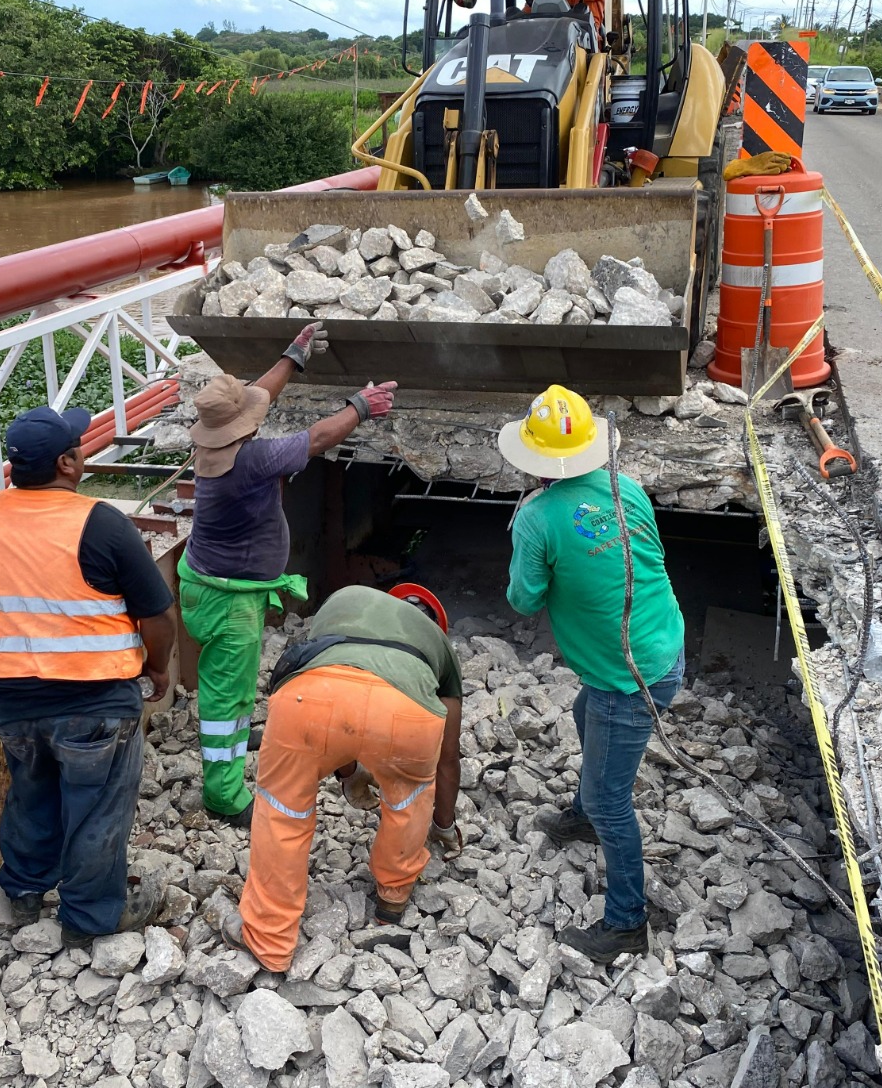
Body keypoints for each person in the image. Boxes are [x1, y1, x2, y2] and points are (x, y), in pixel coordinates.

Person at [0, 405, 179, 946]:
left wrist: (2, 643)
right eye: (79, 446)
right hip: (96, 698)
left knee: (32, 791)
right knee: (98, 808)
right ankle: (89, 917)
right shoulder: (101, 521)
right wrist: (155, 667)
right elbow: (158, 615)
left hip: (12, 698)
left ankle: (26, 891)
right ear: (67, 463)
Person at [177, 325, 397, 827]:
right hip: (227, 599)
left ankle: (233, 739)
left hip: (215, 584)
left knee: (228, 679)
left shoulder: (215, 449)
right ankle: (225, 794)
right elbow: (319, 436)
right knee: (224, 692)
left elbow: (257, 396)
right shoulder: (251, 460)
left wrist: (293, 356)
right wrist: (362, 405)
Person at [499, 384, 685, 963]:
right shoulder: (625, 490)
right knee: (585, 713)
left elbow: (524, 601)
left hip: (626, 681)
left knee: (613, 801)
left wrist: (527, 544)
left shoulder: (537, 520)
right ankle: (583, 815)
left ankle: (627, 920)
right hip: (663, 649)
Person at [219, 584, 465, 971]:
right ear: (436, 623)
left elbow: (340, 705)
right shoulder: (438, 646)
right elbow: (446, 760)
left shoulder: (346, 598)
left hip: (309, 700)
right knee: (407, 797)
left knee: (283, 811)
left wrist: (348, 771)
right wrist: (444, 825)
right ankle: (393, 897)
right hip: (406, 715)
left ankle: (269, 940)